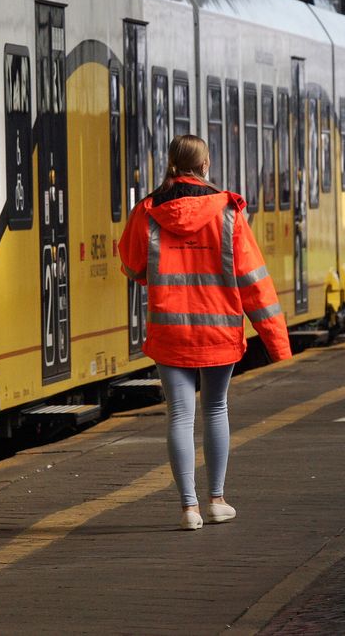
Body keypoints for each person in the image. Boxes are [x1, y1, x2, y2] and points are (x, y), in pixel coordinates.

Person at [118, 135, 292, 531]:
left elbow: (131, 266)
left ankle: (188, 509)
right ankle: (217, 500)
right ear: (206, 165)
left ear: (172, 165)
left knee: (179, 415)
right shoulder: (228, 212)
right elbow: (254, 282)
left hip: (170, 332)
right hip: (218, 331)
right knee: (215, 408)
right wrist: (277, 342)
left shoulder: (147, 212)